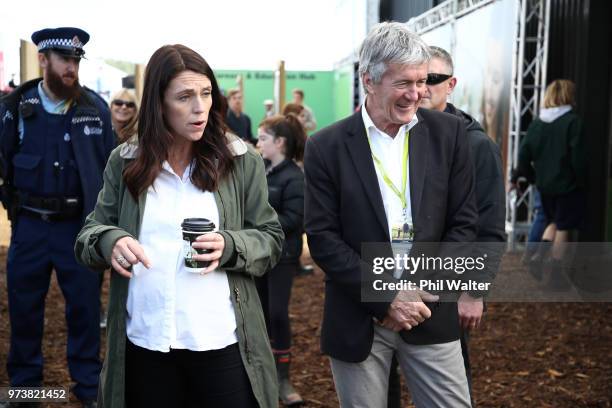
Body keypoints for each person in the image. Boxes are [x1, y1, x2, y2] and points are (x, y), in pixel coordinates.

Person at [74, 44, 283, 408]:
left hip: (219, 340)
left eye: (205, 94)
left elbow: (271, 238)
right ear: (158, 102)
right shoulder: (125, 161)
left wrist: (230, 245)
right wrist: (111, 241)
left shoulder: (240, 159)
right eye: (184, 97)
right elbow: (90, 234)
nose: (199, 107)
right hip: (147, 342)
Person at [304, 22, 477, 408]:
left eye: (422, 81)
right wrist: (386, 298)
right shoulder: (325, 146)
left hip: (431, 312)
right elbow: (322, 238)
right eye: (404, 83)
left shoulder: (449, 135)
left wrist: (415, 292)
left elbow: (465, 223)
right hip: (358, 317)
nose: (416, 94)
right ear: (369, 80)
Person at [0, 27, 114, 407]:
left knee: (83, 308)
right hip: (30, 226)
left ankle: (87, 386)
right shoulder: (16, 106)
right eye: (64, 59)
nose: (71, 68)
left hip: (77, 229)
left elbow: (109, 170)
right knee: (24, 308)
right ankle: (27, 387)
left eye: (76, 61)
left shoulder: (94, 109)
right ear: (43, 60)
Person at [420, 45, 506, 401]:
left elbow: (489, 226)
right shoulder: (397, 137)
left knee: (450, 381)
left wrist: (474, 290)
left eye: (433, 80)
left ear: (451, 84)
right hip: (395, 281)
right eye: (415, 79)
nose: (422, 88)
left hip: (450, 283)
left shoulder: (476, 146)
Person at [513, 79, 586, 289]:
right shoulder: (573, 122)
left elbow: (524, 154)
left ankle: (537, 257)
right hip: (568, 186)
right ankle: (555, 274)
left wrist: (532, 177)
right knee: (564, 227)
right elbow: (578, 158)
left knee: (552, 221)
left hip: (544, 186)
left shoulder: (538, 123)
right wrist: (582, 182)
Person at [255, 113, 306, 406]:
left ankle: (282, 378)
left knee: (276, 313)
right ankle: (261, 374)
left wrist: (258, 223)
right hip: (258, 254)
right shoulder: (259, 170)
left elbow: (294, 219)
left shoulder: (294, 177)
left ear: (280, 142)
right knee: (259, 314)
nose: (258, 143)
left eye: (263, 138)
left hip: (282, 256)